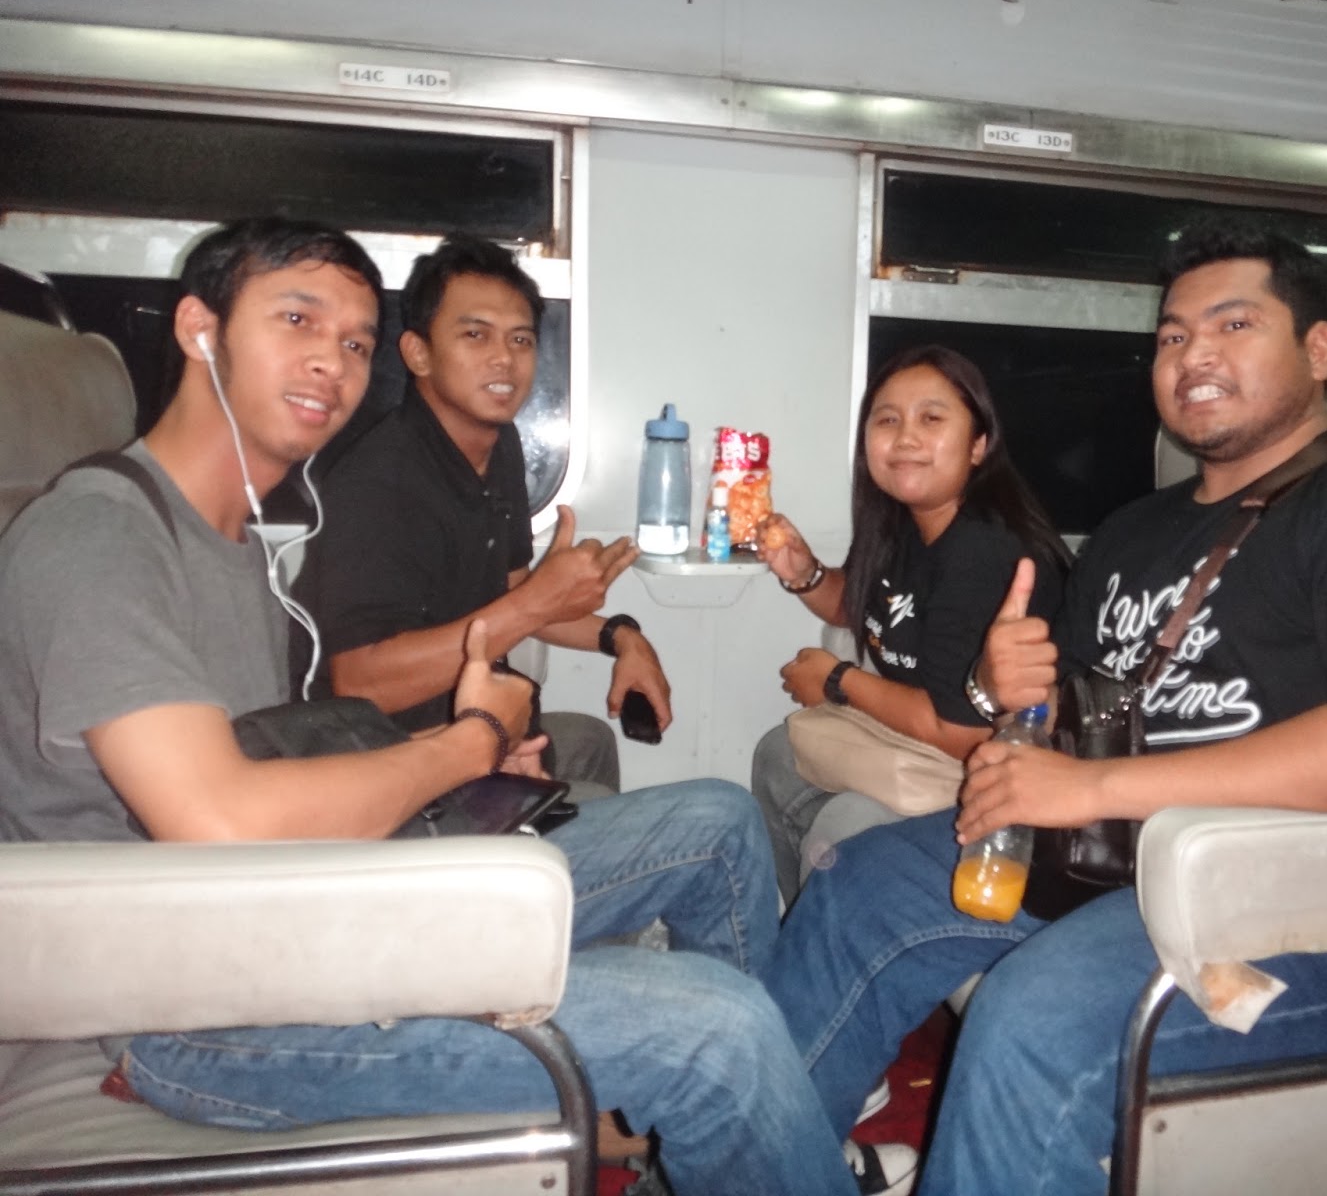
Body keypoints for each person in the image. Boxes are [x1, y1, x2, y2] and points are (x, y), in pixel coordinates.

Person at [0, 217, 914, 1196]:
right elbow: (218, 818)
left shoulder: (231, 549)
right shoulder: (100, 539)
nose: (333, 362)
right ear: (199, 328)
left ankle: (768, 1136)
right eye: (297, 320)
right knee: (710, 1024)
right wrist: (468, 744)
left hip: (301, 910)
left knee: (717, 823)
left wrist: (460, 760)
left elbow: (277, 755)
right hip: (202, 1010)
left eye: (353, 341)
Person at [764, 219, 1327, 1194]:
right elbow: (1049, 712)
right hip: (1119, 859)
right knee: (855, 887)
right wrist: (1002, 688)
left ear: (1319, 350)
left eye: (1234, 325)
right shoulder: (1131, 531)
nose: (1194, 353)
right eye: (1172, 335)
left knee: (1035, 1018)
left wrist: (1094, 788)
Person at [293, 232, 670, 797]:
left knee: (590, 740)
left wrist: (623, 638)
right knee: (719, 814)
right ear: (418, 353)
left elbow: (515, 597)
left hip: (483, 737)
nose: (504, 358)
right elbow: (360, 682)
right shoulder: (378, 481)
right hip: (395, 769)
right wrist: (539, 601)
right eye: (475, 334)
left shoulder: (499, 448)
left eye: (521, 339)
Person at [752, 344, 1071, 905]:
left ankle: (830, 938)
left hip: (997, 766)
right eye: (887, 420)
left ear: (978, 444)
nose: (905, 438)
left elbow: (961, 729)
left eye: (931, 418)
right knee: (778, 756)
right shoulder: (902, 523)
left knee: (844, 828)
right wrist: (804, 573)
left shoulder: (983, 551)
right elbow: (865, 609)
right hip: (931, 743)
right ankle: (808, 932)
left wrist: (836, 681)